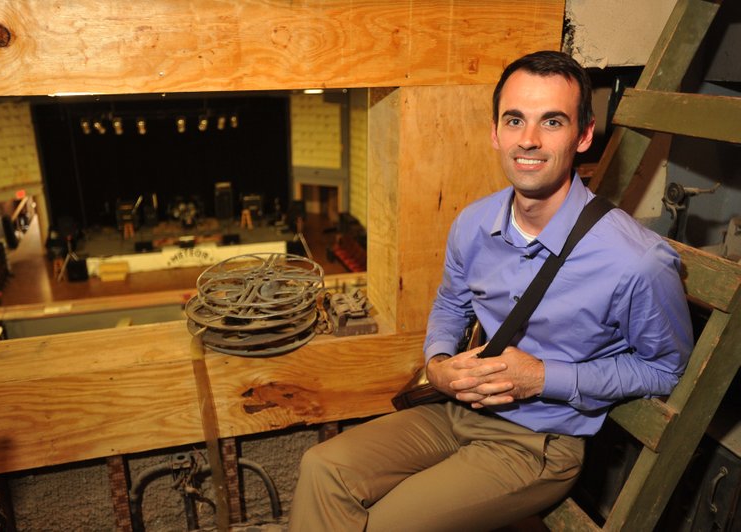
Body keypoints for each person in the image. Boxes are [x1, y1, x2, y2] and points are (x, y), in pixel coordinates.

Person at [289, 50, 693, 532]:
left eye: (553, 122)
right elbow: (450, 304)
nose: (529, 140)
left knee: (383, 524)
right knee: (322, 469)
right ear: (495, 132)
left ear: (584, 135)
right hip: (457, 412)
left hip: (540, 442)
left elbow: (667, 369)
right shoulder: (473, 223)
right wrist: (438, 364)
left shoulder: (634, 261)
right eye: (515, 119)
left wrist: (544, 377)